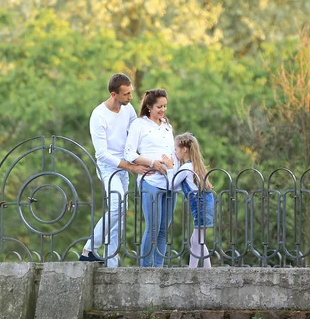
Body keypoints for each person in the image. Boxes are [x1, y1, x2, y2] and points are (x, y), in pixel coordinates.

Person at [79, 73, 149, 267]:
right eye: (126, 94)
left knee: (120, 210)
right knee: (118, 206)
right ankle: (88, 249)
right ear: (113, 94)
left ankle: (111, 261)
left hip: (124, 164)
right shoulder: (99, 116)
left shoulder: (128, 110)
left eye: (131, 92)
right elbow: (101, 154)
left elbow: (138, 131)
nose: (130, 97)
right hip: (108, 166)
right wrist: (131, 167)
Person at [124, 89, 176, 267]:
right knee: (152, 228)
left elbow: (173, 153)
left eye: (165, 106)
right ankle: (145, 268)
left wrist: (172, 167)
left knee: (163, 230)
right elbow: (129, 153)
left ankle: (158, 267)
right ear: (149, 106)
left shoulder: (167, 126)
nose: (163, 110)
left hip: (169, 181)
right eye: (159, 107)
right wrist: (152, 163)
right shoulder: (139, 124)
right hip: (151, 181)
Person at [164, 132, 214, 268]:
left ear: (184, 150)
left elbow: (171, 185)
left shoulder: (185, 168)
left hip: (200, 205)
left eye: (176, 149)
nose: (175, 152)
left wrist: (169, 168)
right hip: (205, 203)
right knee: (197, 240)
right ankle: (202, 269)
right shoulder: (194, 166)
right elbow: (181, 187)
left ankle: (198, 270)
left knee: (198, 239)